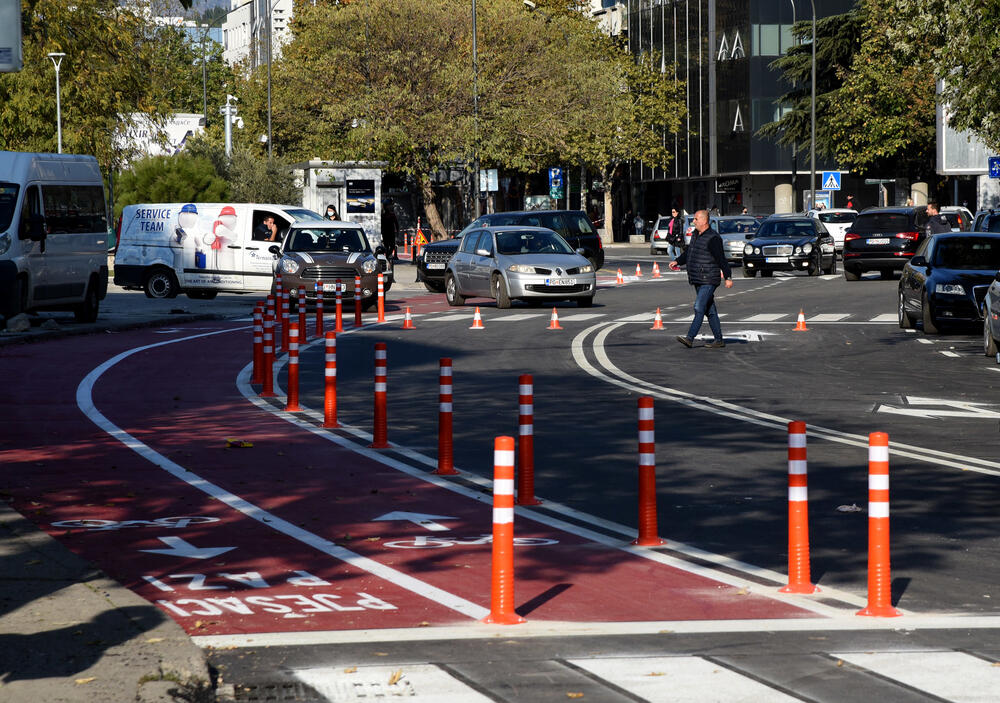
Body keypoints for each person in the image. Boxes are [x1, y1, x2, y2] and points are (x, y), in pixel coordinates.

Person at [669, 209, 733, 349]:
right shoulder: (696, 235)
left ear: (704, 221)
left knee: (699, 307)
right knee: (710, 310)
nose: (694, 222)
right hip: (698, 278)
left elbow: (721, 259)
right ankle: (719, 340)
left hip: (708, 278)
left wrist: (727, 277)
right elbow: (689, 253)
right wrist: (677, 261)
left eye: (696, 219)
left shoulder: (713, 238)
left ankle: (690, 338)